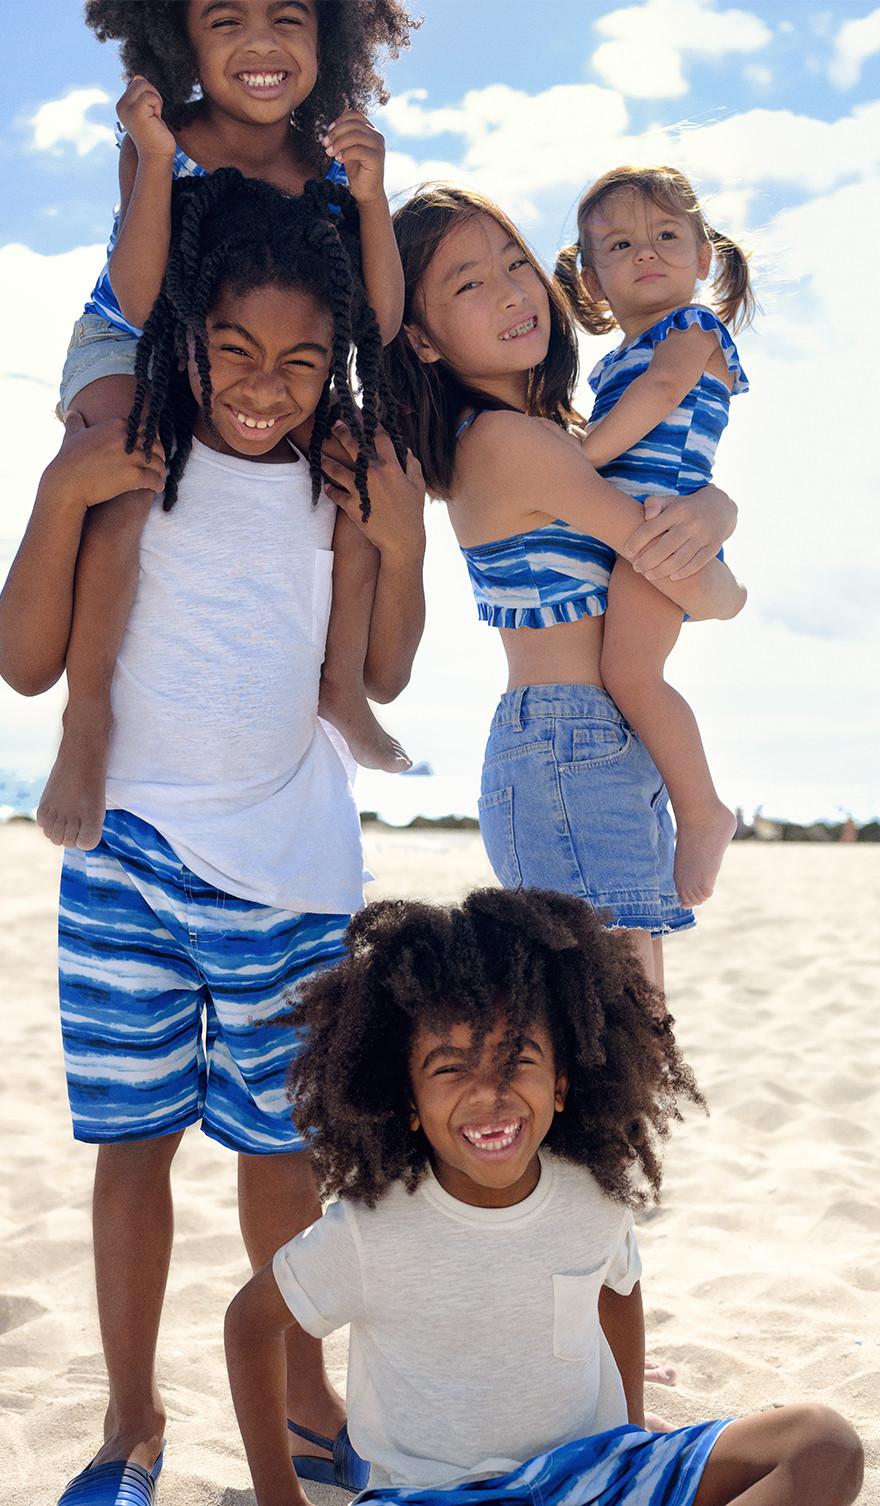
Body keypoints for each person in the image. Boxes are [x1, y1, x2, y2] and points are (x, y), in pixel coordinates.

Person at [0, 170, 425, 1506]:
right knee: (133, 1145)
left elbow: (384, 669)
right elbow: (21, 661)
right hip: (123, 855)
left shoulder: (337, 471)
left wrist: (401, 541)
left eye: (302, 360)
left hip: (291, 875)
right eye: (234, 349)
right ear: (183, 336)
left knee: (278, 1152)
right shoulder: (134, 460)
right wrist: (62, 495)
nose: (265, 383)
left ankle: (300, 1393)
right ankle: (131, 1421)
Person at [226, 887, 864, 1506]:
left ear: (561, 1083)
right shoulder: (368, 1230)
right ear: (409, 1103)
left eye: (516, 1059)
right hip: (434, 1497)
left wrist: (631, 1432)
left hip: (594, 1476)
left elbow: (618, 1287)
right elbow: (249, 1325)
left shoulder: (591, 1193)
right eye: (449, 1068)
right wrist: (280, 1495)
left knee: (820, 1443)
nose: (488, 1091)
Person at [39, 0, 418, 855]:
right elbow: (139, 298)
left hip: (264, 353)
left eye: (288, 20)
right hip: (133, 339)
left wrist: (371, 197)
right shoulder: (163, 136)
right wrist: (157, 155)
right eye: (225, 21)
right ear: (179, 40)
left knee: (354, 467)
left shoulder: (326, 164)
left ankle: (341, 687)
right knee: (127, 461)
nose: (260, 44)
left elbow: (380, 319)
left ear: (331, 40)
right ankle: (88, 712)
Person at [372, 184, 737, 989]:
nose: (510, 293)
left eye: (516, 265)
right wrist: (718, 518)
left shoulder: (552, 436)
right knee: (614, 1040)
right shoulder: (511, 441)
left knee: (631, 1040)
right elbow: (708, 593)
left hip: (590, 742)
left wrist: (714, 507)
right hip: (569, 748)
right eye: (468, 283)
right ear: (423, 341)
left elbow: (669, 545)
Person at [553, 166, 754, 907]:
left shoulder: (693, 328)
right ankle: (674, 805)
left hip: (667, 524)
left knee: (633, 676)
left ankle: (703, 811)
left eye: (667, 236)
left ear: (704, 257)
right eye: (621, 244)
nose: (647, 252)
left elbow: (664, 395)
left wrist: (582, 456)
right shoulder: (612, 362)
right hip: (633, 528)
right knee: (620, 674)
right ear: (595, 281)